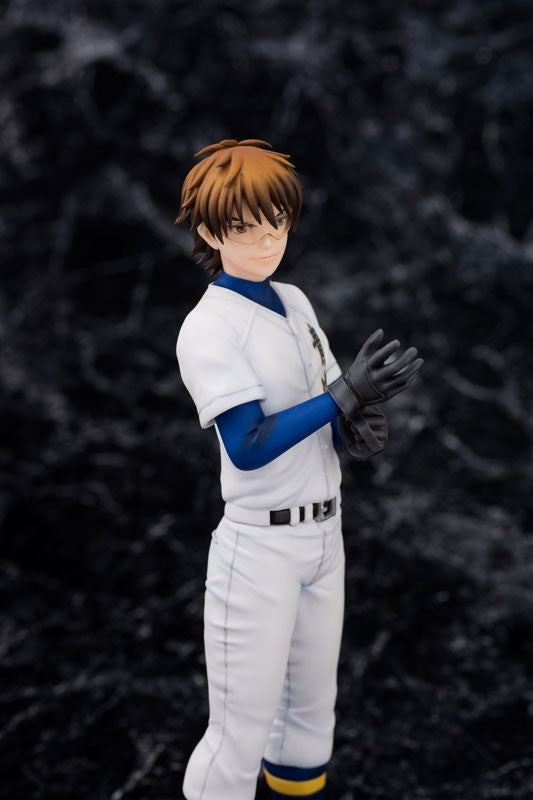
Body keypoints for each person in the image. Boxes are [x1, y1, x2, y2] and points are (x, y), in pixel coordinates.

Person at [174, 138, 423, 800]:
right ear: (210, 232)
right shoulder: (208, 328)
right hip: (259, 546)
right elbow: (249, 444)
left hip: (323, 537)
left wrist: (355, 422)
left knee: (310, 722)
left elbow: (323, 402)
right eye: (244, 229)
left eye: (276, 224)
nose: (265, 243)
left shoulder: (293, 300)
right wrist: (344, 397)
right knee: (238, 734)